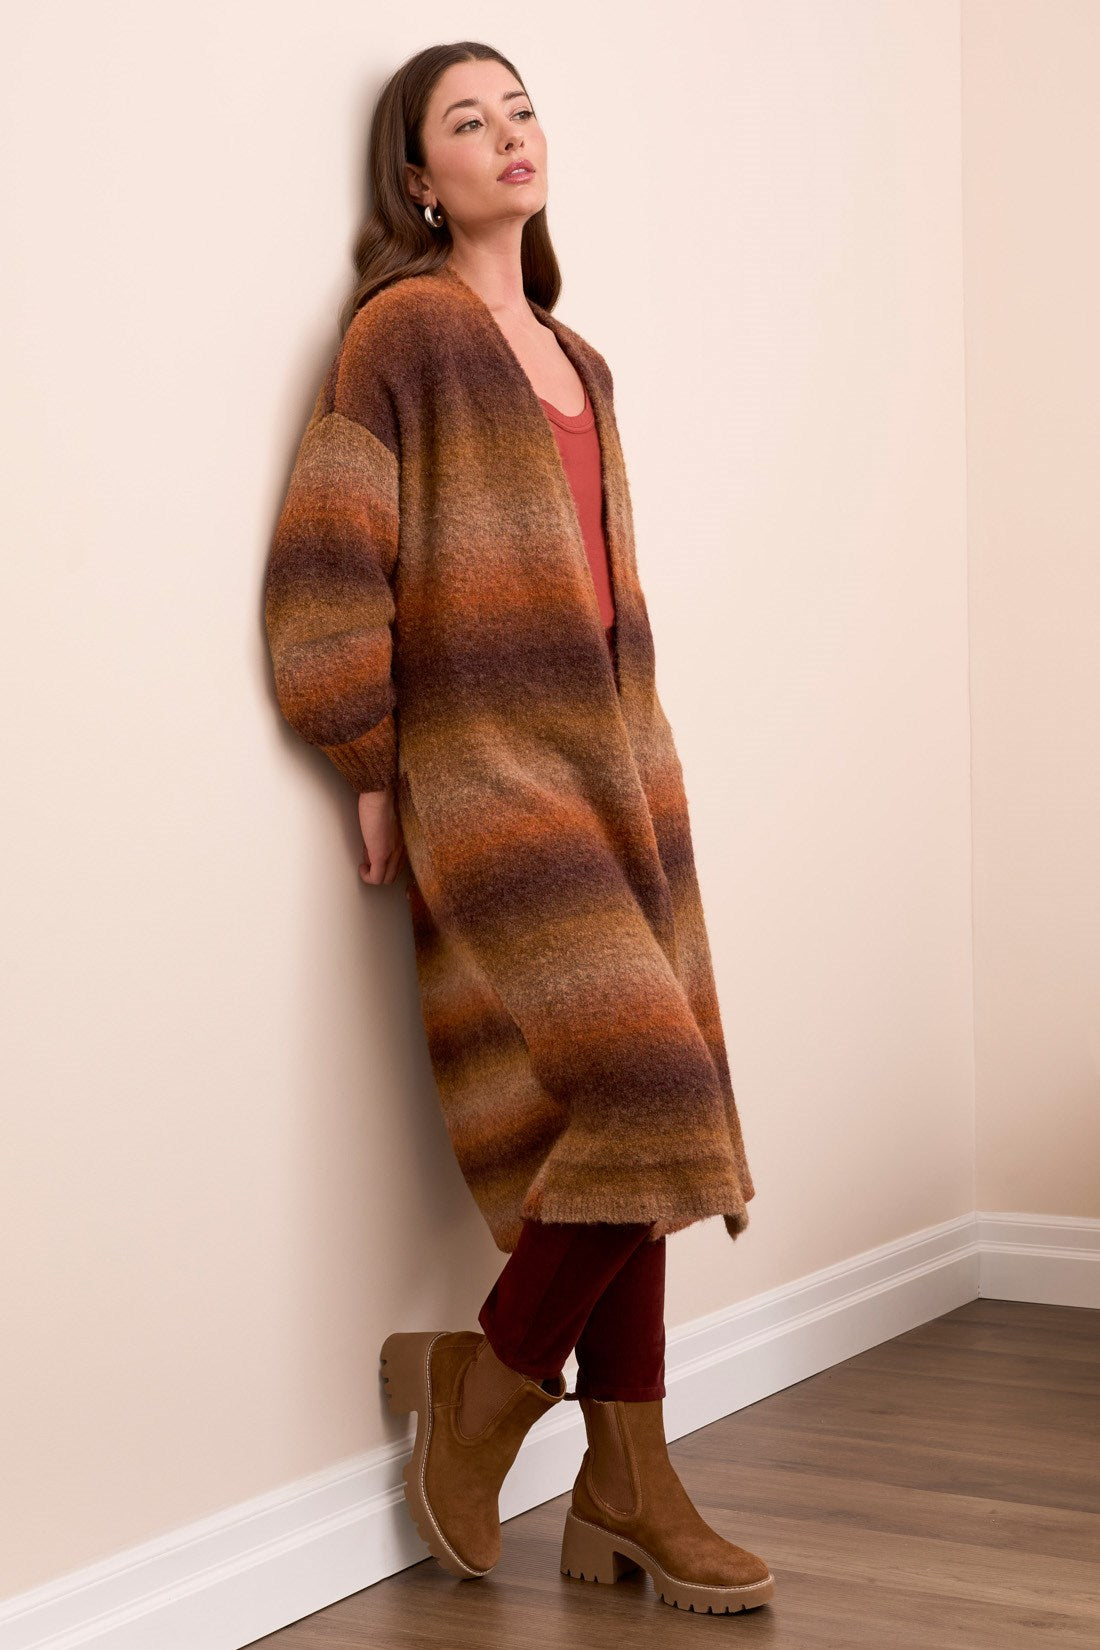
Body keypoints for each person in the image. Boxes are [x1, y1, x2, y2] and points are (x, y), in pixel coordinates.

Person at [264, 40, 773, 1616]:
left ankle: (627, 1485)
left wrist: (649, 768)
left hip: (624, 769)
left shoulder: (580, 358)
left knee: (643, 1121)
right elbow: (332, 547)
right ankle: (481, 1388)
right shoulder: (404, 333)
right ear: (421, 178)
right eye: (467, 123)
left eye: (522, 110)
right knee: (651, 1083)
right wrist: (366, 754)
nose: (508, 137)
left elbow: (609, 592)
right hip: (490, 770)